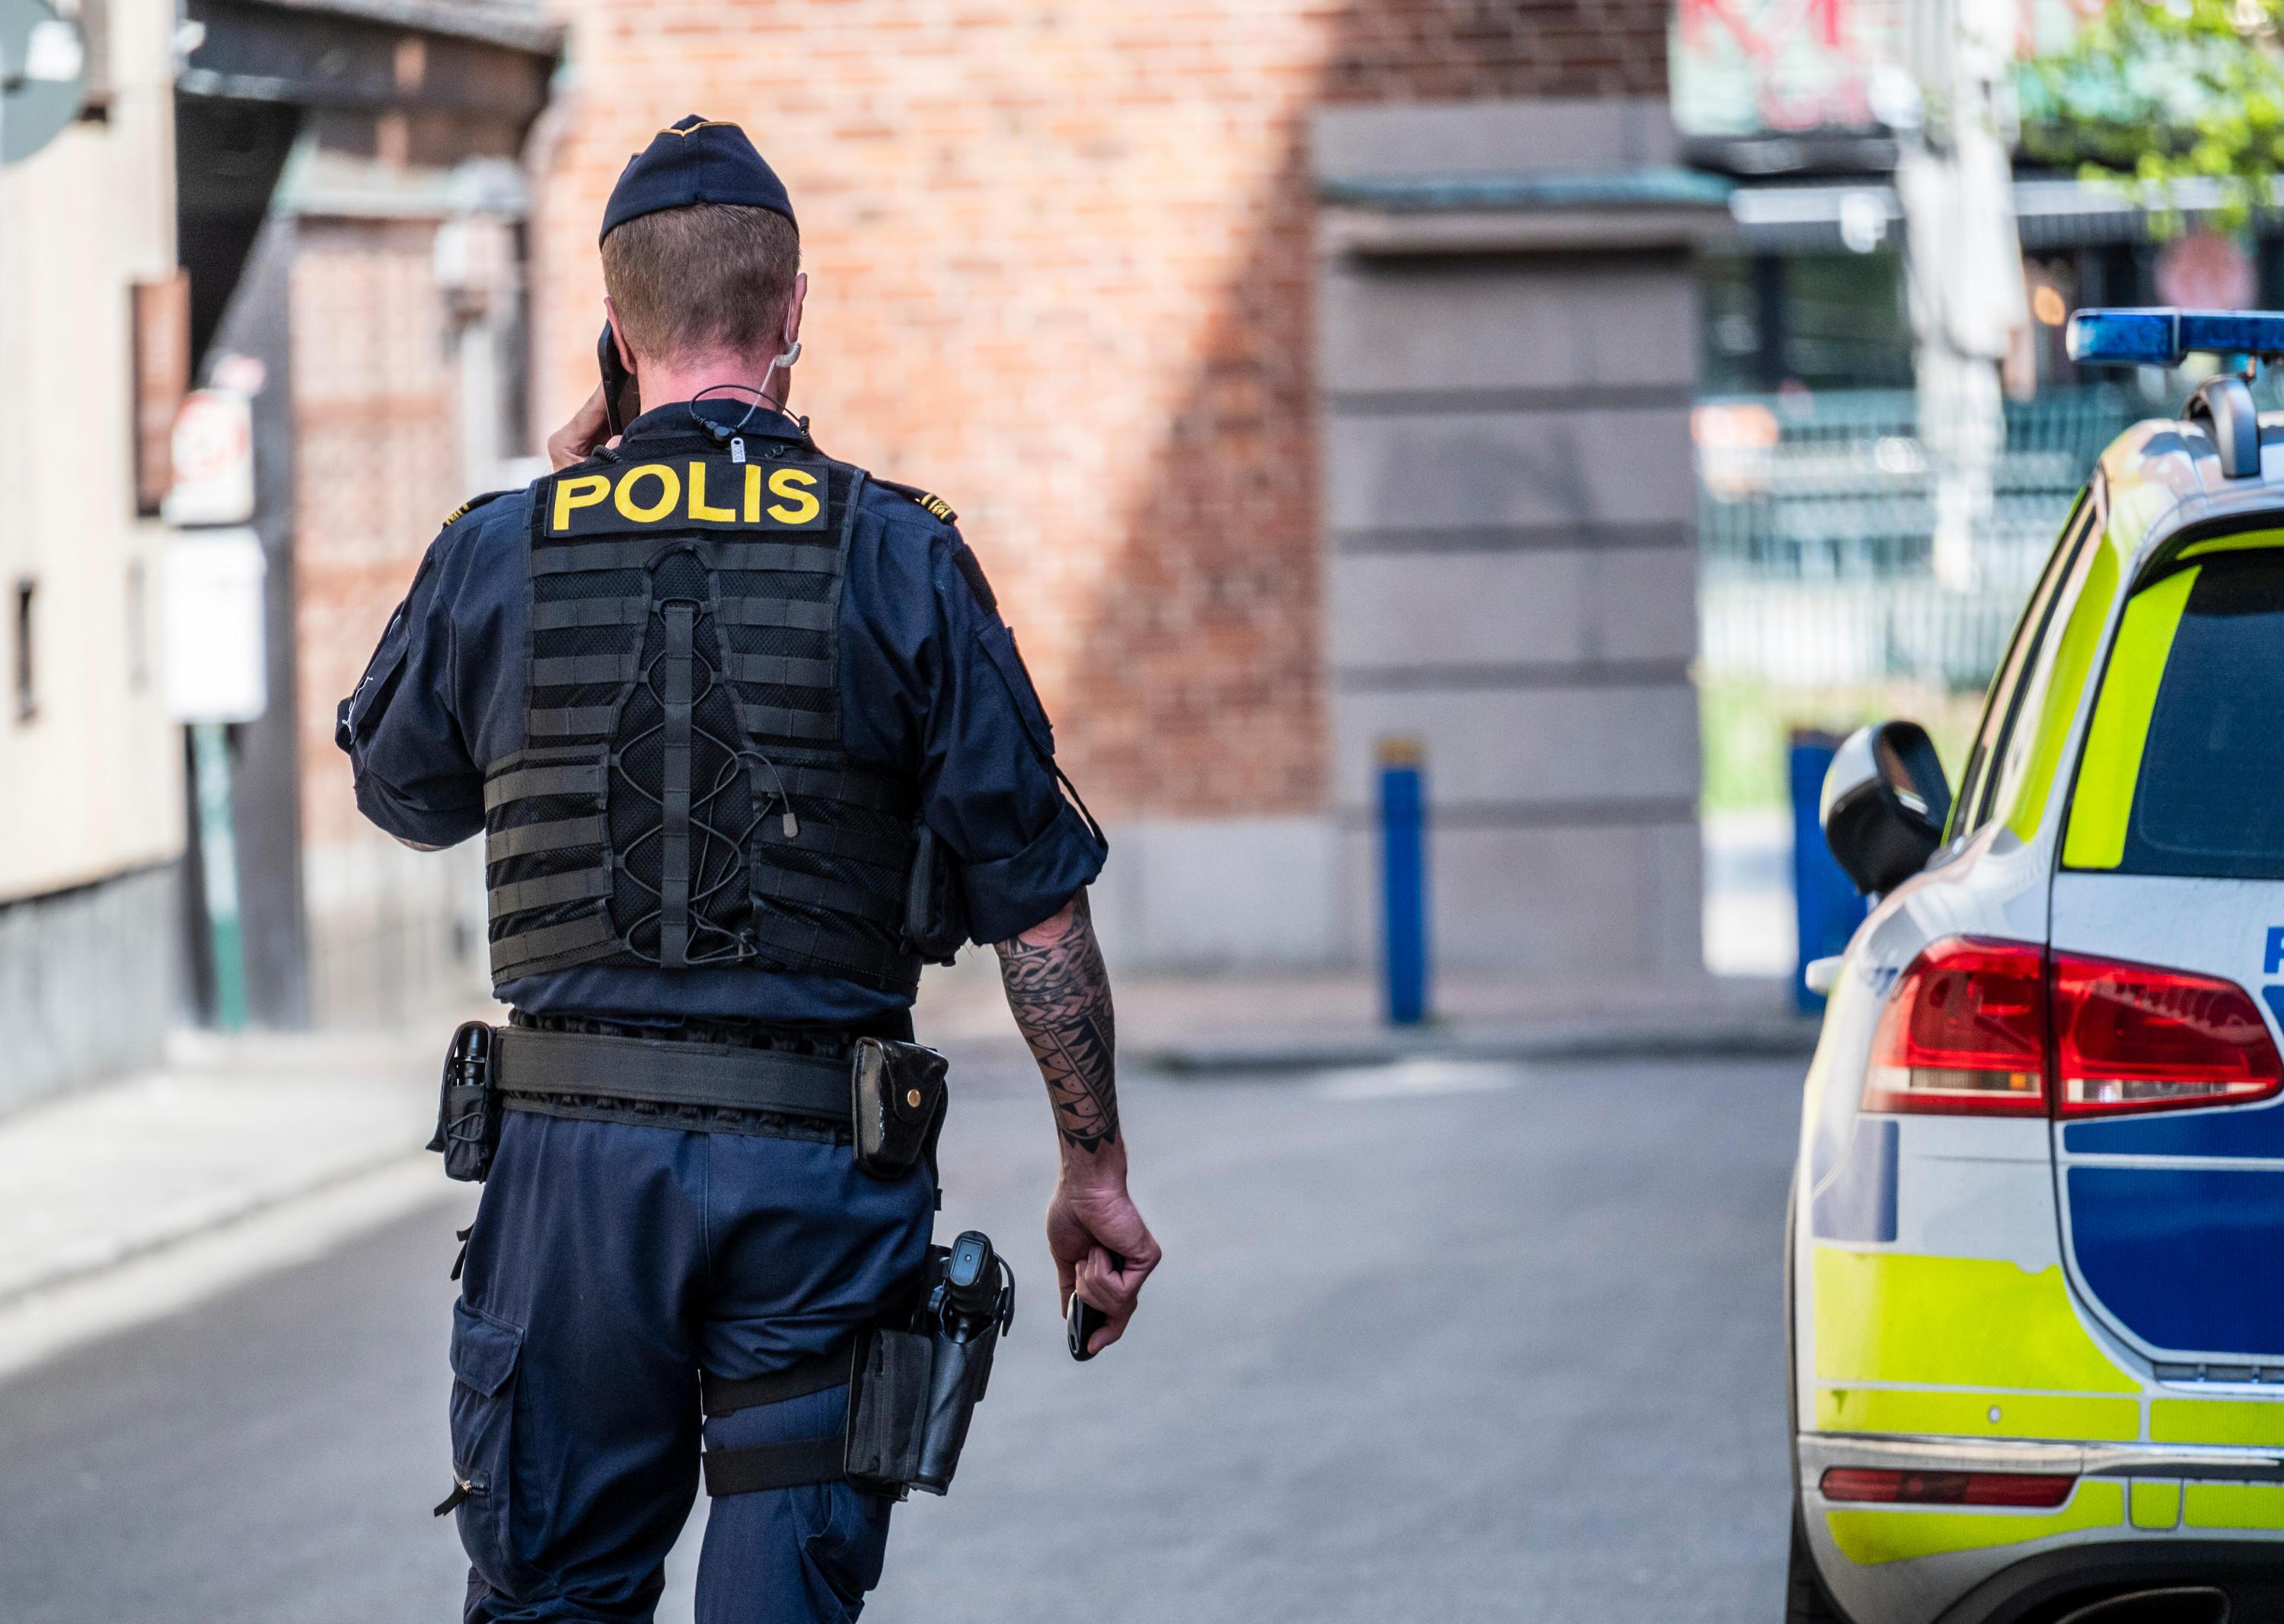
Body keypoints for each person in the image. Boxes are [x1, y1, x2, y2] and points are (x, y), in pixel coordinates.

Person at [336, 116, 1160, 1624]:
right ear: (794, 315)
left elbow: (404, 792)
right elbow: (1037, 906)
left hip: (573, 1188)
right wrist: (1092, 1170)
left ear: (613, 330)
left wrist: (563, 498)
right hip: (816, 1180)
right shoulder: (901, 554)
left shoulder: (500, 547)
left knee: (553, 1598)